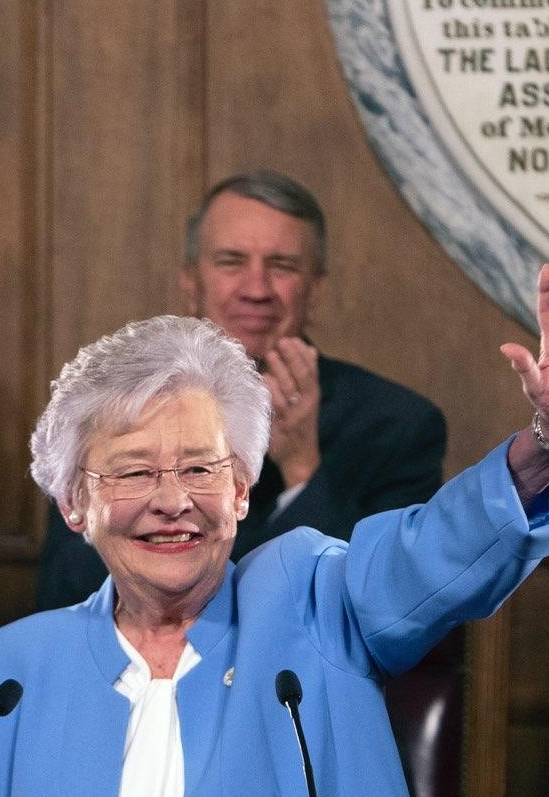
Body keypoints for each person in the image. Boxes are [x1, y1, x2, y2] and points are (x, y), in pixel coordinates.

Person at [0, 253, 549, 797]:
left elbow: (432, 557)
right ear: (76, 503)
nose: (174, 502)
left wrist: (547, 445)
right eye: (134, 473)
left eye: (201, 467)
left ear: (239, 489)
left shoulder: (311, 595)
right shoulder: (4, 676)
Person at [32, 170, 446, 609]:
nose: (256, 289)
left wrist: (304, 472)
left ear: (316, 290)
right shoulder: (108, 410)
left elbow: (381, 605)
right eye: (231, 261)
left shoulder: (398, 425)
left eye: (282, 266)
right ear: (191, 281)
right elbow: (65, 588)